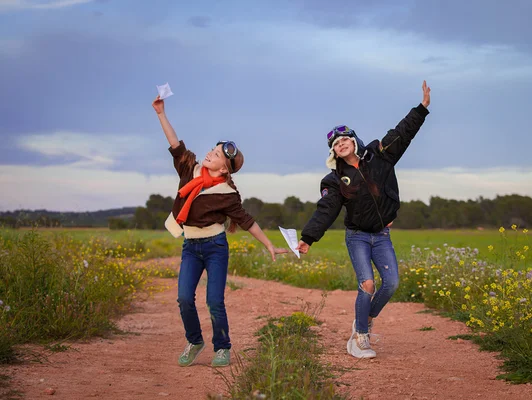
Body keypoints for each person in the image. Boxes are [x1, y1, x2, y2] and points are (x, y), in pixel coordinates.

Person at [296, 81, 431, 359]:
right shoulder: (334, 180)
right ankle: (360, 339)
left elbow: (400, 134)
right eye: (335, 143)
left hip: (381, 235)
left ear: (354, 141)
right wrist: (308, 237)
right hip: (357, 236)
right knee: (367, 284)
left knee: (391, 284)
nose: (341, 144)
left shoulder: (379, 155)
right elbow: (327, 209)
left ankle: (363, 320)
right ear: (333, 153)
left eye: (344, 139)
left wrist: (421, 109)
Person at [152, 95, 288, 368]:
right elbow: (175, 144)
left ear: (225, 169)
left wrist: (269, 245)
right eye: (212, 150)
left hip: (214, 247)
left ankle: (222, 347)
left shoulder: (227, 194)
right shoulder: (189, 169)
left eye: (215, 155)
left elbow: (248, 222)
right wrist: (161, 114)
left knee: (214, 300)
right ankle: (195, 341)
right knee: (183, 298)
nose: (209, 154)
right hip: (190, 246)